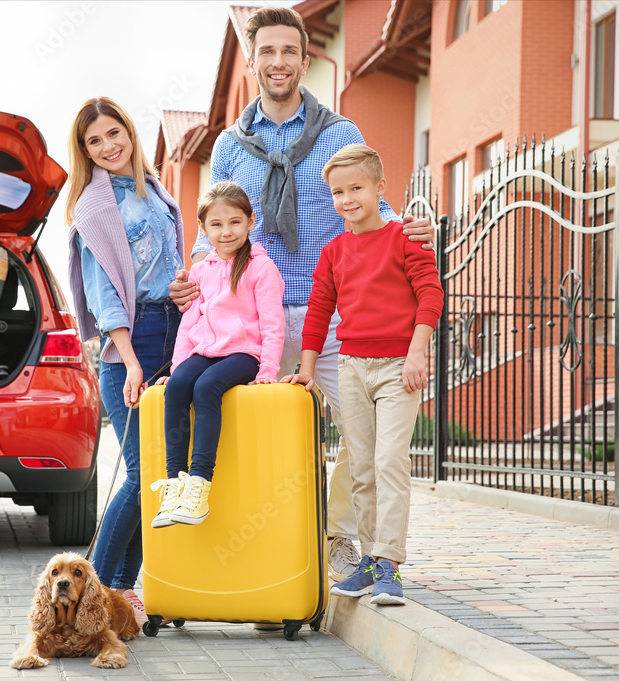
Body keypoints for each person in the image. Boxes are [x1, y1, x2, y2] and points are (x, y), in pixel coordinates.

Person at [168, 6, 436, 583]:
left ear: (305, 59)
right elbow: (211, 227)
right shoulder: (230, 145)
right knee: (251, 434)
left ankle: (337, 532)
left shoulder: (339, 133)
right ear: (254, 59)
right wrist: (195, 275)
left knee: (360, 436)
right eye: (267, 51)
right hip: (252, 316)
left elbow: (366, 200)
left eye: (289, 51)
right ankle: (265, 550)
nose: (279, 61)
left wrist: (405, 227)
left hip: (335, 313)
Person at [283, 144, 443, 605]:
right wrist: (307, 370)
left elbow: (431, 295)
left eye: (356, 188)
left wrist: (417, 354)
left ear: (380, 189)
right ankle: (371, 561)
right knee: (362, 469)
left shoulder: (404, 238)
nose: (348, 199)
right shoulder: (333, 251)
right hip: (352, 368)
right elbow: (318, 311)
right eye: (338, 192)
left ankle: (389, 564)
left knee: (390, 460)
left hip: (398, 369)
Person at [66, 97, 185, 625]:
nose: (109, 146)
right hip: (129, 345)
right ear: (85, 151)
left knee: (161, 474)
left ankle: (122, 591)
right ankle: (90, 594)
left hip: (175, 332)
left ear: (130, 134)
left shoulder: (154, 190)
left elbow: (167, 265)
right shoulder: (94, 209)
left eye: (115, 133)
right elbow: (103, 295)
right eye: (95, 141)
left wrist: (182, 288)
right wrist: (132, 361)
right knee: (140, 473)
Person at [150, 182, 285, 528]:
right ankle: (175, 485)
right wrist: (177, 367)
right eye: (217, 224)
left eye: (235, 222)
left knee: (206, 387)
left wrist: (268, 369)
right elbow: (188, 324)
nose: (226, 232)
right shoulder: (200, 271)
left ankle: (199, 486)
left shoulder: (260, 267)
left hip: (244, 353)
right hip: (204, 350)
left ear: (251, 222)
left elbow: (272, 323)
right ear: (204, 229)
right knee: (178, 386)